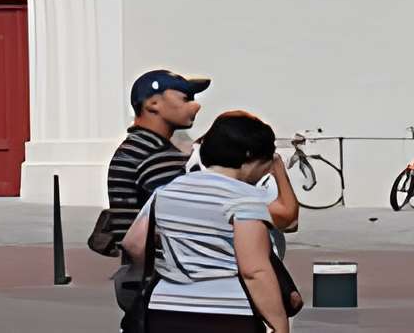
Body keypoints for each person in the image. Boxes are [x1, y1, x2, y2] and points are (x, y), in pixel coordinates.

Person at [124, 113, 292, 332]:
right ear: (250, 156)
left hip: (164, 309)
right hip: (227, 312)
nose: (267, 170)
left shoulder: (165, 192)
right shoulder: (246, 198)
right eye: (267, 162)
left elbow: (133, 243)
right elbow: (254, 270)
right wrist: (279, 324)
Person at [101, 71, 209, 312]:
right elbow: (190, 213)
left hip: (142, 277)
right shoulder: (153, 154)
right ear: (153, 104)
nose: (196, 106)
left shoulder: (137, 147)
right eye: (185, 98)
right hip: (163, 281)